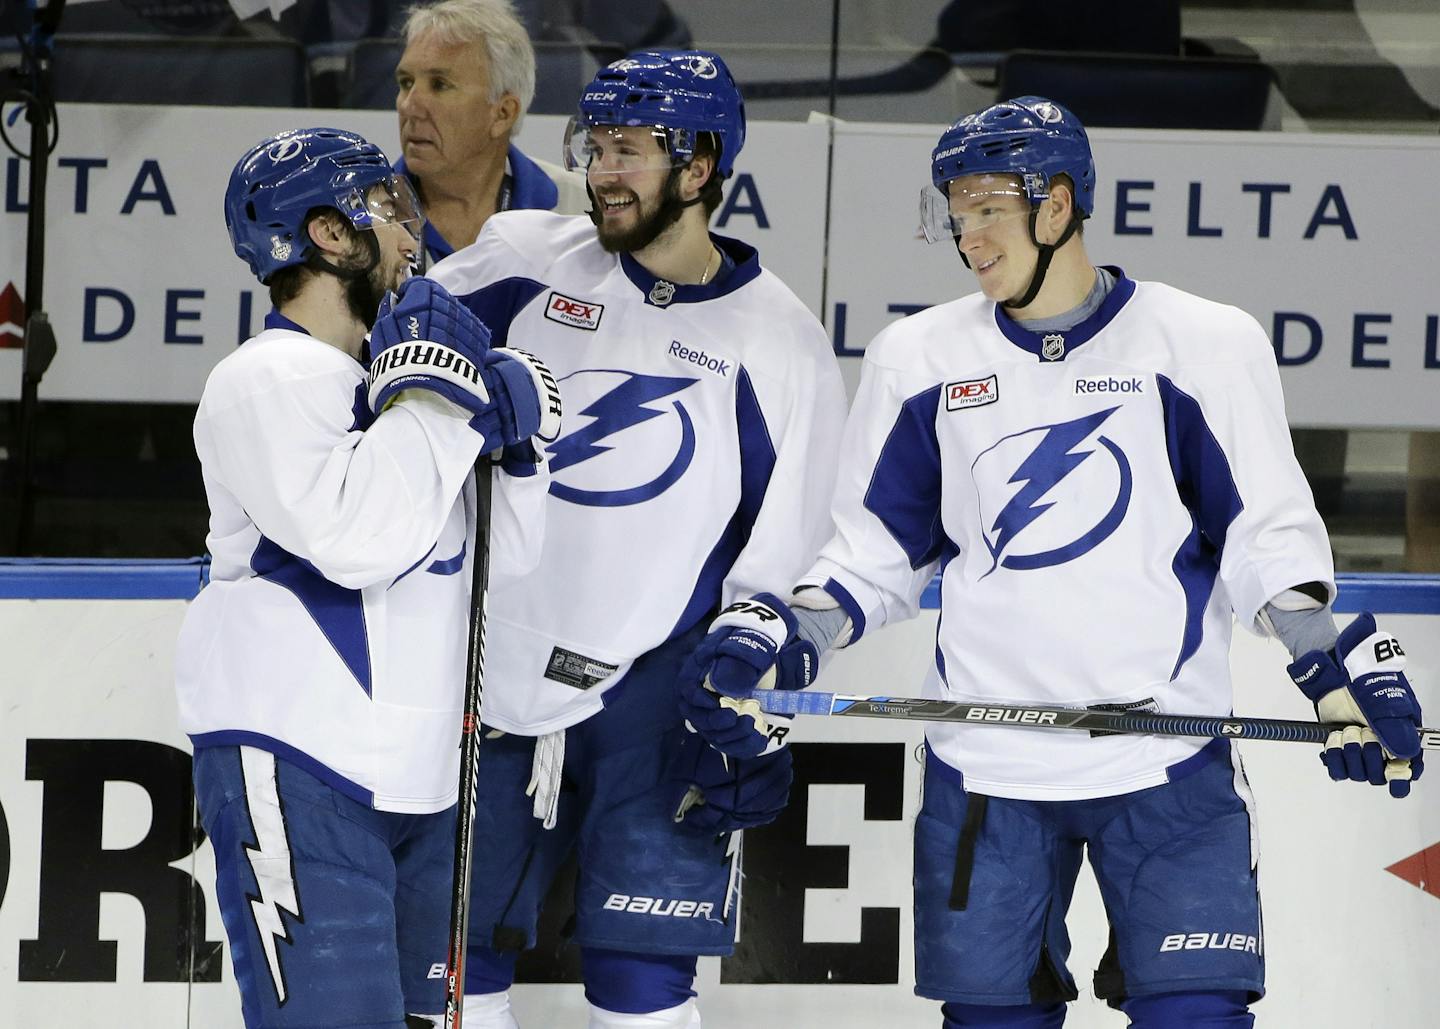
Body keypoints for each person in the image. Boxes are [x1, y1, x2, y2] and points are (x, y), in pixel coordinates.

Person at [679, 96, 1425, 1028]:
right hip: (986, 772)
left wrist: (1336, 669)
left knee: (1198, 1017)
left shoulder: (1200, 344)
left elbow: (1263, 539)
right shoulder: (923, 357)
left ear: (1060, 204)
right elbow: (873, 555)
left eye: (990, 207)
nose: (968, 234)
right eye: (956, 211)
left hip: (1168, 763)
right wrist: (787, 639)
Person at [424, 50, 848, 1028]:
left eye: (632, 151)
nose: (603, 171)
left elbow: (787, 555)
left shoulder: (779, 344)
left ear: (699, 169)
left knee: (641, 978)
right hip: (491, 666)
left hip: (658, 691)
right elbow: (392, 368)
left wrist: (748, 681)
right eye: (596, 146)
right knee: (454, 965)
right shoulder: (523, 260)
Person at [175, 125, 562, 1029]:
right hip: (302, 761)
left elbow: (505, 562)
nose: (412, 227)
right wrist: (437, 396)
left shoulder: (401, 376)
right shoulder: (262, 379)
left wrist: (522, 441)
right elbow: (356, 539)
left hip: (426, 773)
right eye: (385, 206)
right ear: (329, 235)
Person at [395, 0, 588, 270]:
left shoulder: (581, 210)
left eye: (439, 85)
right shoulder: (357, 219)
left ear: (503, 114)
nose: (409, 106)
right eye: (406, 83)